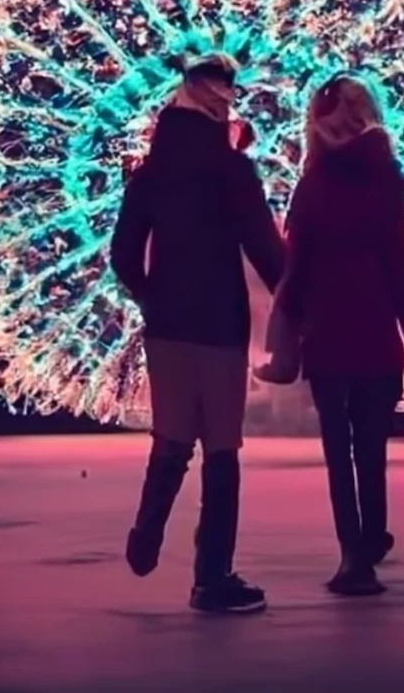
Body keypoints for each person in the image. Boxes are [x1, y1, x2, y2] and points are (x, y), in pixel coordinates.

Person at [110, 54, 285, 615]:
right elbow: (265, 249)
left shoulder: (150, 172)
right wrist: (300, 300)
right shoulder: (233, 171)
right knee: (222, 449)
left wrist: (151, 295)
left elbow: (122, 254)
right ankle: (212, 576)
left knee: (172, 435)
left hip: (168, 323)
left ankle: (146, 532)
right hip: (219, 323)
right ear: (223, 103)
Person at [273, 74, 404, 596]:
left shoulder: (312, 185)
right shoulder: (387, 179)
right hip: (377, 335)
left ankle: (354, 555)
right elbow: (400, 269)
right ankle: (370, 536)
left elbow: (295, 271)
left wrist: (286, 334)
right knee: (371, 447)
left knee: (338, 449)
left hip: (327, 336)